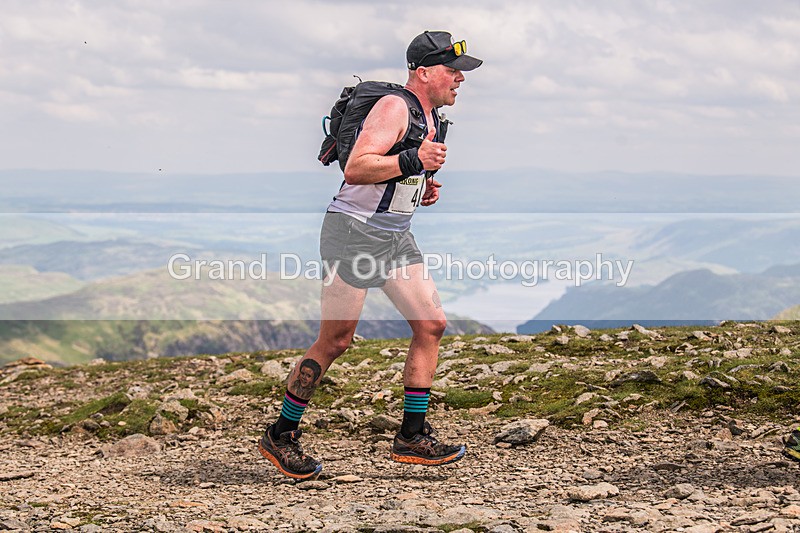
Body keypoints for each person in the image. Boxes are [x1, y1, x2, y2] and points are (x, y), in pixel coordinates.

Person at [257, 30, 482, 480]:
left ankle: (411, 437)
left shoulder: (431, 116)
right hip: (351, 235)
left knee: (431, 324)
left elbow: (396, 171)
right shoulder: (395, 107)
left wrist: (420, 186)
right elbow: (359, 166)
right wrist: (413, 163)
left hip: (394, 236)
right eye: (452, 70)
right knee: (337, 340)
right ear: (423, 72)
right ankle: (280, 435)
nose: (460, 79)